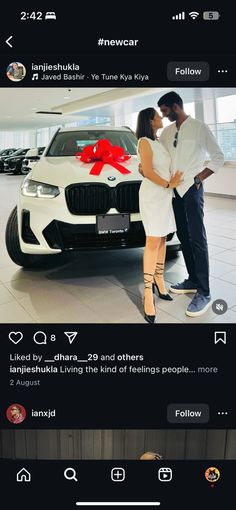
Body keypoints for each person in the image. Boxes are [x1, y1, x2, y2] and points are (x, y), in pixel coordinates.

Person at [157, 92, 224, 317]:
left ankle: (204, 292)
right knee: (184, 237)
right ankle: (193, 280)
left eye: (165, 111)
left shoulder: (199, 127)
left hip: (192, 191)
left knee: (198, 238)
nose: (163, 116)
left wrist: (199, 179)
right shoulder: (166, 132)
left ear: (176, 106)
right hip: (174, 192)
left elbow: (218, 157)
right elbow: (161, 157)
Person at [136, 108, 183, 323]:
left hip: (164, 196)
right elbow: (148, 171)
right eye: (157, 115)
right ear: (150, 120)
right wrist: (168, 184)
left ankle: (159, 280)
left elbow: (150, 168)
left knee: (163, 237)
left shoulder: (158, 143)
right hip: (154, 195)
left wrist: (170, 184)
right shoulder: (144, 141)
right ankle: (147, 292)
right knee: (153, 240)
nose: (161, 117)